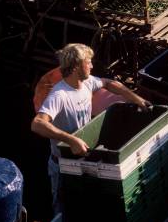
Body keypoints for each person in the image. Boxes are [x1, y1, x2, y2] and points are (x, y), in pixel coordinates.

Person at [31, 43, 150, 213]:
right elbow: (38, 124)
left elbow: (109, 83)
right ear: (75, 67)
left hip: (84, 161)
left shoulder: (86, 83)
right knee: (63, 208)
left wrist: (136, 98)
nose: (92, 66)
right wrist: (70, 139)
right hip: (62, 166)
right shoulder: (60, 95)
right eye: (88, 62)